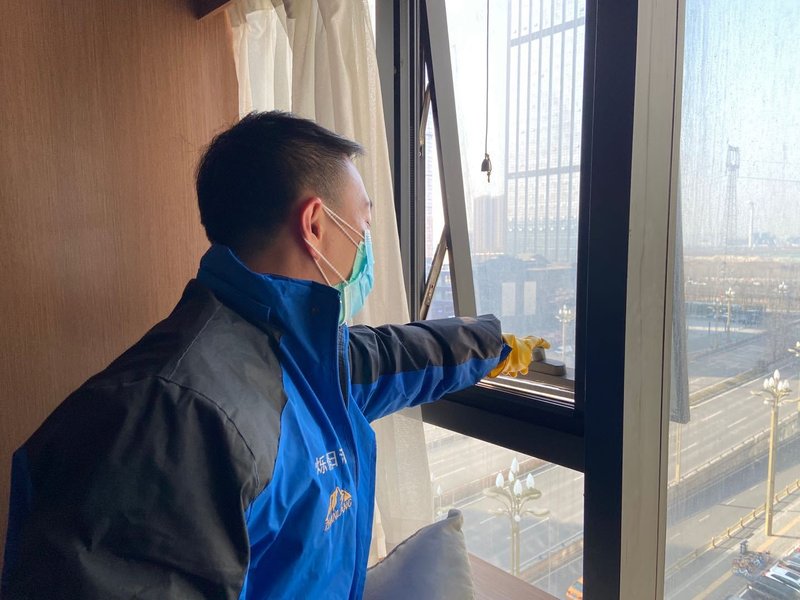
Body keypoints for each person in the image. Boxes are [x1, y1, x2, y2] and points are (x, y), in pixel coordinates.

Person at [2, 111, 542, 599]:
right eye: (364, 226)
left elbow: (392, 358)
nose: (365, 247)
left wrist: (494, 346)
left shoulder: (292, 354)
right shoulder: (174, 418)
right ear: (315, 225)